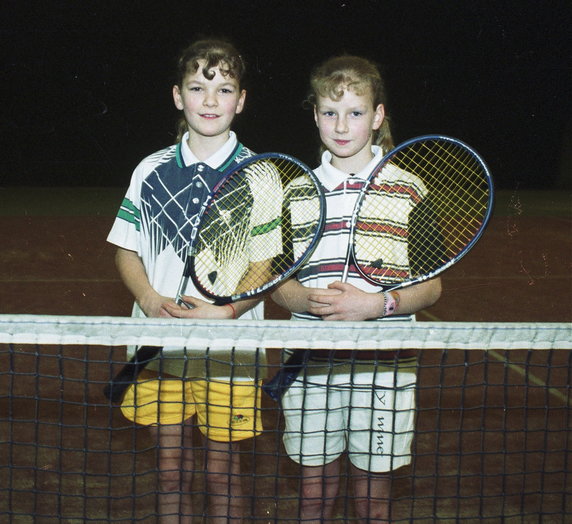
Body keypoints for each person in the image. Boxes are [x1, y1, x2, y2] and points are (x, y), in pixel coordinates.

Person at [107, 38, 272, 523]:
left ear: (240, 101)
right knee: (170, 472)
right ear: (178, 96)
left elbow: (265, 265)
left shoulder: (261, 174)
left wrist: (227, 311)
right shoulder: (150, 170)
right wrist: (149, 299)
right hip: (159, 347)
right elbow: (126, 248)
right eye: (198, 87)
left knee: (224, 473)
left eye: (223, 89)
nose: (209, 100)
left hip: (231, 349)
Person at [271, 55, 442, 523]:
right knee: (312, 497)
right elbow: (275, 285)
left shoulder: (410, 189)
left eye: (355, 112)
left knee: (371, 502)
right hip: (310, 367)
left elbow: (431, 288)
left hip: (384, 369)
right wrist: (303, 300)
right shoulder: (296, 193)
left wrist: (377, 304)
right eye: (330, 112)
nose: (341, 125)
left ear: (378, 117)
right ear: (315, 116)